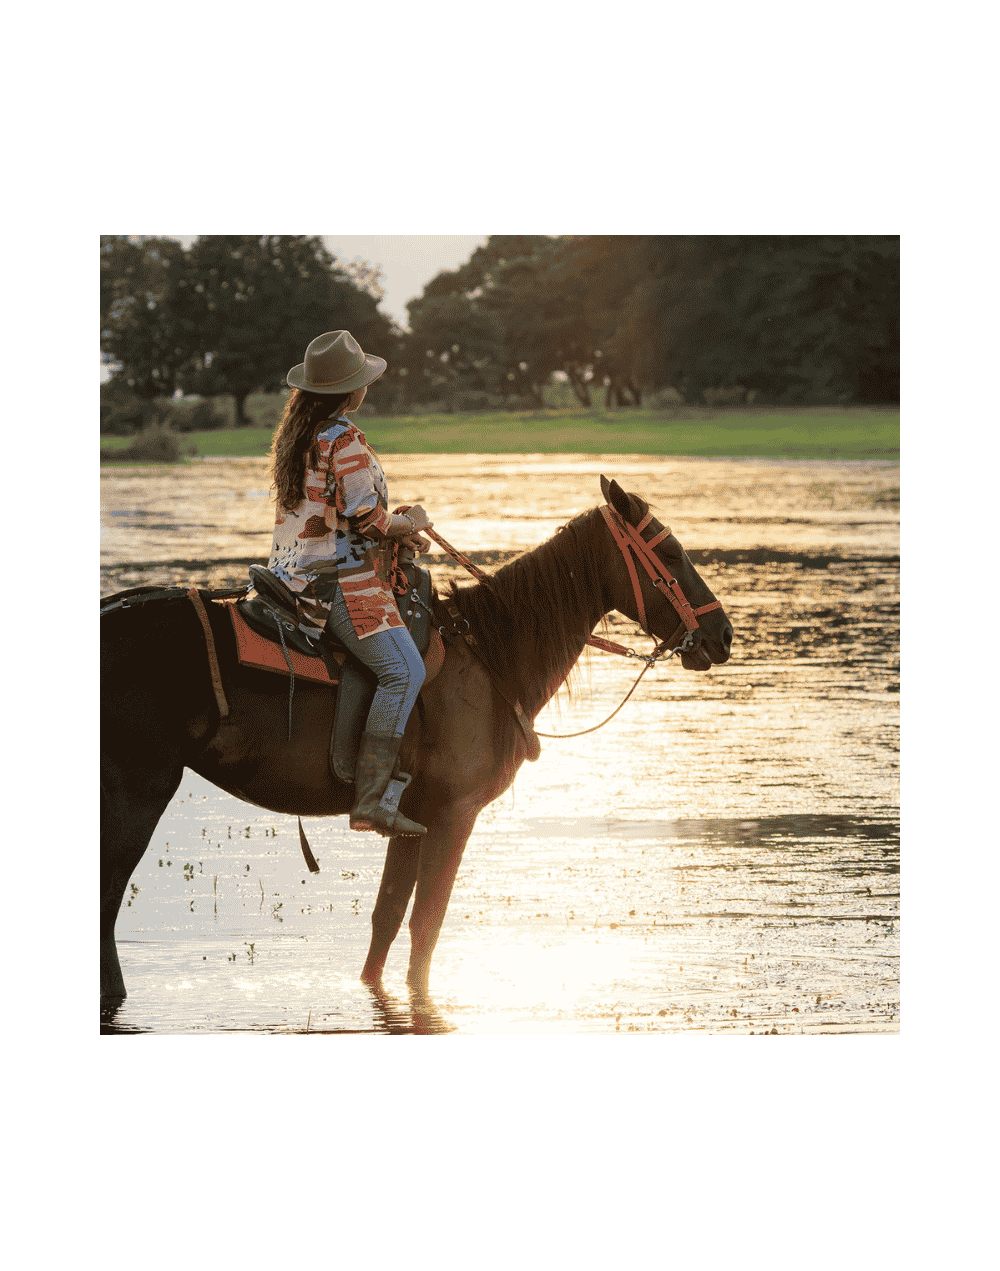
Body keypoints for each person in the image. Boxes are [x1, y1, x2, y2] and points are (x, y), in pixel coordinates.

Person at [267, 330, 434, 837]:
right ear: (352, 390)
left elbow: (338, 513)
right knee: (404, 671)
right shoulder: (345, 440)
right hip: (340, 583)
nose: (366, 387)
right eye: (362, 380)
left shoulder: (301, 436)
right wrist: (412, 522)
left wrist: (394, 525)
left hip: (292, 573)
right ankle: (371, 799)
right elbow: (367, 519)